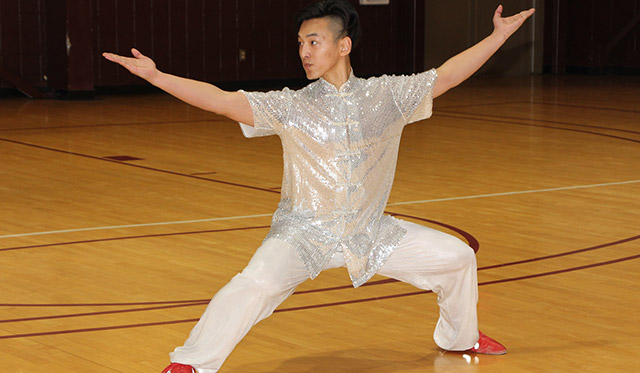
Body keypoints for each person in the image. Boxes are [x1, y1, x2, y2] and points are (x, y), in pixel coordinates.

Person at [103, 1, 535, 372]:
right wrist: (158, 77)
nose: (304, 52)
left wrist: (497, 36)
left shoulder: (387, 97)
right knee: (254, 285)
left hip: (369, 231)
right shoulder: (291, 105)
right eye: (300, 44)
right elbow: (220, 99)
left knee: (457, 257)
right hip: (303, 233)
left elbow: (447, 76)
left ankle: (460, 339)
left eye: (313, 41)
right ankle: (191, 362)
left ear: (343, 45)